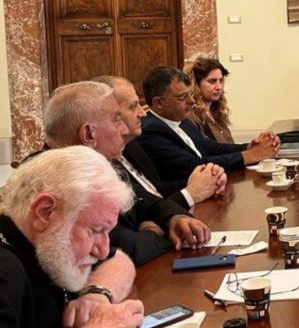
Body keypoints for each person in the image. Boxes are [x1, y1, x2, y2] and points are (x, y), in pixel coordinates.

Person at [43, 81, 211, 266]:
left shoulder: (96, 161)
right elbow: (127, 249)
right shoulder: (64, 180)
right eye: (117, 121)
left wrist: (175, 218)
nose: (124, 130)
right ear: (89, 134)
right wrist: (153, 232)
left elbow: (147, 201)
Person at [0, 146, 144, 328]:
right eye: (95, 230)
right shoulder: (6, 271)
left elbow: (118, 261)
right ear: (45, 211)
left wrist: (97, 294)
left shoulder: (44, 243)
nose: (103, 250)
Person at [94, 75, 226, 210]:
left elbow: (157, 189)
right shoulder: (99, 167)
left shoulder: (131, 145)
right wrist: (190, 194)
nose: (143, 113)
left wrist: (206, 182)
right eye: (133, 106)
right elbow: (140, 215)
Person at [136, 66, 279, 180]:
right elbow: (193, 166)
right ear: (158, 102)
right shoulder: (149, 131)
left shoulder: (182, 120)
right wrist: (250, 155)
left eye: (191, 94)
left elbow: (210, 148)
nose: (192, 101)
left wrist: (250, 147)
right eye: (183, 97)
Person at [183, 57, 235, 144]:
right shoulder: (190, 116)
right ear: (196, 84)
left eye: (221, 81)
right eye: (212, 81)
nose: (219, 87)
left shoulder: (217, 112)